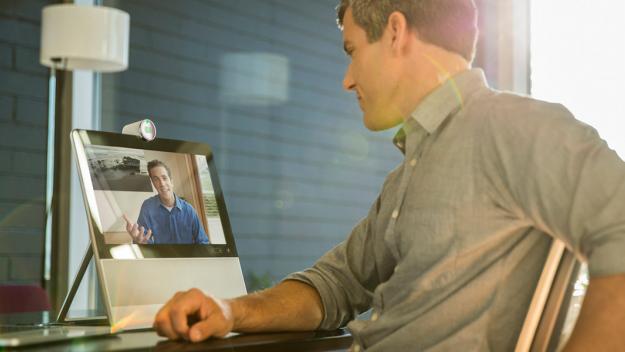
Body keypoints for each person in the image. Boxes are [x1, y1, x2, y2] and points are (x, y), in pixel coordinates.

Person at [153, 1, 625, 350]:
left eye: (353, 50)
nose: (347, 78)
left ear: (396, 32)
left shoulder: (511, 126)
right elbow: (336, 284)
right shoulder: (413, 171)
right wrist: (231, 311)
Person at [123, 159, 210, 244]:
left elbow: (203, 242)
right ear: (153, 183)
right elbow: (144, 240)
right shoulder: (148, 207)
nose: (162, 184)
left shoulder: (189, 210)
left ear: (171, 181)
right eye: (156, 179)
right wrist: (139, 242)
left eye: (164, 178)